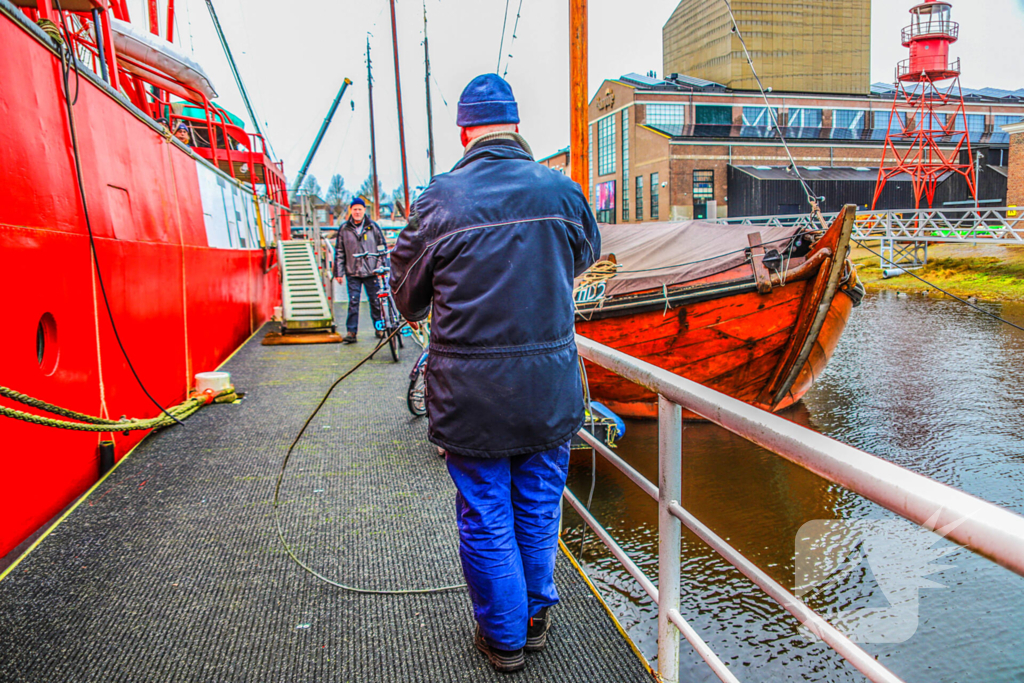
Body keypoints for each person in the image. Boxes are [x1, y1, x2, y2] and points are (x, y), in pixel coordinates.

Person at [389, 74, 600, 674]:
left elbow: (406, 296)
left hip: (471, 396)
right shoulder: (561, 191)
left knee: (486, 513)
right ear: (516, 125)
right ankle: (534, 618)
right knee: (538, 506)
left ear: (464, 132)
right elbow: (583, 257)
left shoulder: (440, 200)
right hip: (547, 389)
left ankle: (504, 637)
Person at [334, 197, 386, 343]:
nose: (357, 212)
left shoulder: (373, 227)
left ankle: (379, 328)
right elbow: (339, 251)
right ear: (351, 210)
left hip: (372, 271)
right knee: (353, 302)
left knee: (376, 301)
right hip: (353, 272)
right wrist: (338, 272)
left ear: (364, 211)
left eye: (360, 209)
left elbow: (381, 247)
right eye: (355, 209)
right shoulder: (344, 229)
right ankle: (351, 332)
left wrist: (380, 267)